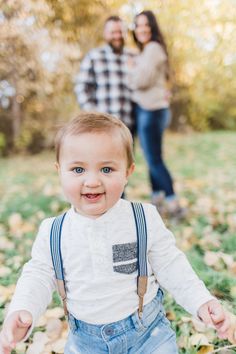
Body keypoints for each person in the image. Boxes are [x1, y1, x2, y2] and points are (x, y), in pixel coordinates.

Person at [0, 112, 235, 354]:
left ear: (128, 172)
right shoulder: (53, 231)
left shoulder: (143, 218)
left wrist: (201, 301)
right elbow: (38, 276)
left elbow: (171, 265)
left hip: (148, 336)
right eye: (78, 169)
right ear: (59, 171)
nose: (92, 181)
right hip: (86, 344)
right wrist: (23, 309)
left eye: (107, 169)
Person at [127, 10, 184, 218]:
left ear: (152, 27)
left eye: (145, 25)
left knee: (154, 160)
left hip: (151, 110)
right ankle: (157, 201)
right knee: (152, 158)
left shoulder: (152, 48)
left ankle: (174, 204)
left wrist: (131, 69)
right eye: (137, 25)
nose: (141, 29)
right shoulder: (147, 50)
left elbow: (140, 81)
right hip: (150, 108)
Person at [74, 15, 135, 136]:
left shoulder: (133, 56)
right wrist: (94, 116)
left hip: (128, 127)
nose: (117, 36)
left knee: (127, 156)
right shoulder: (94, 56)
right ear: (105, 34)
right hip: (102, 127)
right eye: (113, 32)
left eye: (120, 32)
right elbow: (81, 88)